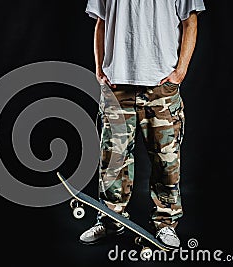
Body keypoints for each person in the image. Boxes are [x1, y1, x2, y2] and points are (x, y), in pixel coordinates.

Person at [80, 0, 206, 248]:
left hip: (160, 85)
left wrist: (180, 73)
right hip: (117, 84)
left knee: (166, 160)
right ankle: (110, 221)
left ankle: (166, 223)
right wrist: (99, 70)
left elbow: (190, 20)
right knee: (112, 161)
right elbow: (101, 22)